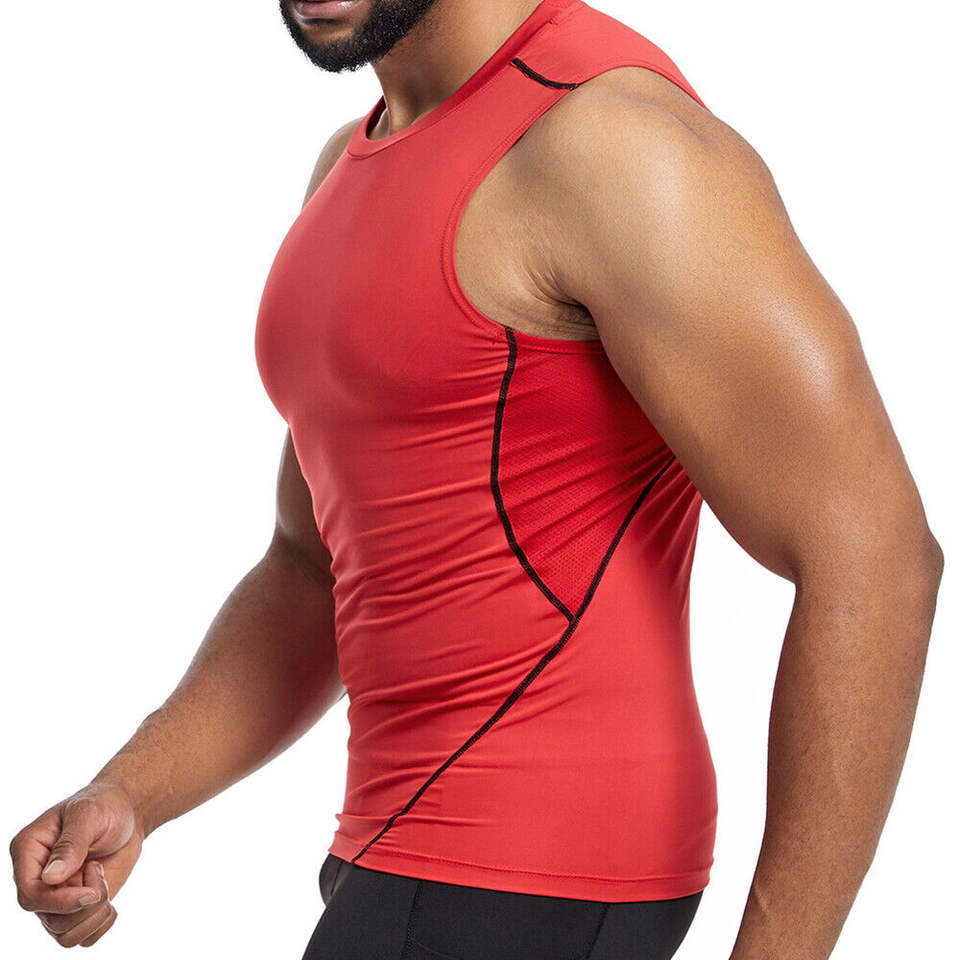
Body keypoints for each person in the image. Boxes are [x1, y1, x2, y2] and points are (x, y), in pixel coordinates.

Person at [9, 1, 943, 957]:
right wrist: (133, 790)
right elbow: (312, 567)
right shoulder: (351, 163)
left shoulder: (606, 142)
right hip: (401, 853)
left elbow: (878, 560)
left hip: (536, 870)